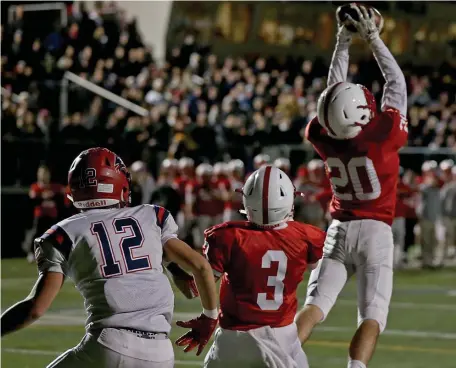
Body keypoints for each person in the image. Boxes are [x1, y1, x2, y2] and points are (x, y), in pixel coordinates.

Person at [1, 147, 218, 367]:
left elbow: (36, 309)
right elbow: (199, 269)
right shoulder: (151, 216)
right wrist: (210, 317)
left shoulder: (64, 233)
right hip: (160, 352)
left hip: (108, 345)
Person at [295, 5, 408, 368]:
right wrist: (372, 38)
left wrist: (342, 42)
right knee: (371, 316)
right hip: (376, 232)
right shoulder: (380, 136)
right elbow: (396, 83)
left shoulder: (324, 136)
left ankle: (280, 359)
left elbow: (332, 96)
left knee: (313, 308)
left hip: (338, 230)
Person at [199, 165, 325, 368]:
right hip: (279, 334)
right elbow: (315, 265)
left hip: (231, 337)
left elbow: (203, 280)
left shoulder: (227, 235)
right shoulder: (307, 236)